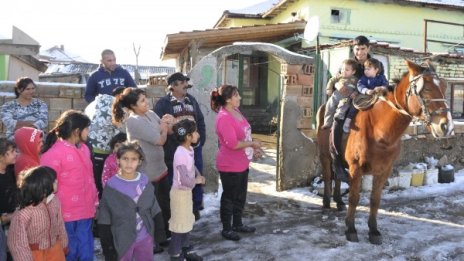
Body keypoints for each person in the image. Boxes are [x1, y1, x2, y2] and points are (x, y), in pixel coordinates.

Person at [113, 87, 172, 251]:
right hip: (146, 173)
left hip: (160, 169)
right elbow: (160, 139)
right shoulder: (133, 121)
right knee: (147, 210)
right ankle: (149, 242)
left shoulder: (151, 114)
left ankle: (161, 237)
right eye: (142, 101)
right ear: (133, 105)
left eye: (146, 99)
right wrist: (164, 127)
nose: (147, 103)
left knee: (162, 206)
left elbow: (164, 130)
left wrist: (168, 123)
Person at [40, 110, 98, 261]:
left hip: (85, 210)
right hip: (64, 213)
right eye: (87, 128)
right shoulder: (54, 154)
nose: (89, 132)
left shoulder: (84, 148)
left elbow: (89, 177)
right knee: (68, 250)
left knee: (86, 247)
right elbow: (45, 186)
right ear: (77, 131)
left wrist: (94, 200)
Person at [210, 85, 263, 241]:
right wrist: (252, 144)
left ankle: (237, 224)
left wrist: (253, 148)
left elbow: (245, 135)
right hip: (230, 165)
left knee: (240, 196)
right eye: (236, 95)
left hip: (241, 163)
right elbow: (232, 144)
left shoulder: (236, 111)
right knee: (229, 197)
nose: (239, 97)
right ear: (227, 99)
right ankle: (227, 228)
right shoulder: (224, 117)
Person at [154, 72, 206, 230]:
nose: (186, 85)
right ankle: (176, 214)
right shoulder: (163, 103)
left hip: (194, 149)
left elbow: (201, 121)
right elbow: (160, 127)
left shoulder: (192, 100)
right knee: (178, 181)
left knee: (196, 177)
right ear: (174, 85)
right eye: (183, 82)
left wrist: (200, 141)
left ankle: (194, 209)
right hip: (175, 152)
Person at [97, 141, 161, 261]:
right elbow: (104, 217)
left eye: (133, 159)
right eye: (125, 158)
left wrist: (159, 233)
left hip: (145, 237)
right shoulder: (111, 185)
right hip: (122, 239)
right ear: (118, 160)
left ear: (139, 162)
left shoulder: (144, 181)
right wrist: (108, 248)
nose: (129, 163)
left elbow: (154, 207)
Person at [7, 166, 68, 261]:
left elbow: (60, 224)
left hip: (55, 250)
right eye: (54, 181)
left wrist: (64, 244)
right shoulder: (24, 212)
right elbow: (17, 242)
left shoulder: (55, 201)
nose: (57, 182)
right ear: (43, 186)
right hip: (35, 254)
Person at [169, 119, 204, 261]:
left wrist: (197, 173)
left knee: (187, 222)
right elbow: (184, 180)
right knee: (179, 225)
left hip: (186, 193)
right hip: (179, 195)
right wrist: (197, 180)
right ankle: (175, 254)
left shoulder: (188, 149)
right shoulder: (180, 154)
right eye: (195, 131)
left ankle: (186, 248)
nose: (197, 134)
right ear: (188, 136)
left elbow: (192, 165)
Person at [85, 86, 127, 198]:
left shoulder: (98, 101)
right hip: (102, 150)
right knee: (101, 182)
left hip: (88, 147)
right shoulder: (119, 110)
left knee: (95, 181)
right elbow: (122, 133)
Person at [343, 58, 388, 133]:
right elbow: (359, 85)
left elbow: (386, 84)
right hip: (365, 96)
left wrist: (382, 88)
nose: (365, 71)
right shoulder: (364, 78)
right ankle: (348, 120)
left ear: (376, 70)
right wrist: (366, 91)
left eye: (368, 69)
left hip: (378, 96)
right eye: (365, 69)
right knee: (355, 105)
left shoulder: (381, 77)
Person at [322, 59, 359, 129]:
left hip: (345, 97)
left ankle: (339, 116)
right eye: (342, 69)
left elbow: (358, 88)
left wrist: (355, 93)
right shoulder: (339, 76)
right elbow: (331, 80)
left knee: (344, 105)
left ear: (353, 72)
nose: (343, 71)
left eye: (347, 70)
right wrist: (329, 89)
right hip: (335, 96)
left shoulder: (355, 80)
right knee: (329, 106)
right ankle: (327, 123)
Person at [0, 138, 17, 261]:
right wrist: (8, 217)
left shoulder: (10, 170)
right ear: (1, 157)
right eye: (11, 152)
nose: (15, 154)